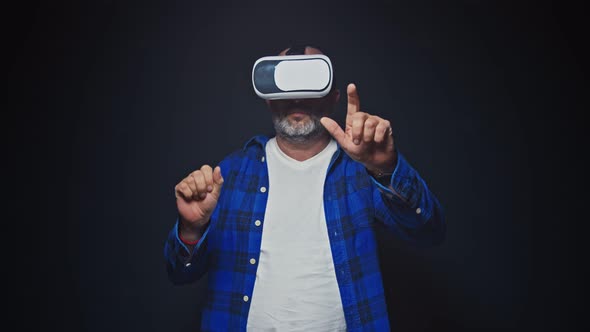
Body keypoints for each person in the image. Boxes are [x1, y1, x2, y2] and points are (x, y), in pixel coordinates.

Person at [164, 45, 445, 331]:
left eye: (308, 82)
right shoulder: (232, 172)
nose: (296, 96)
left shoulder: (358, 171)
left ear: (333, 99)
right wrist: (191, 229)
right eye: (286, 84)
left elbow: (428, 231)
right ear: (269, 99)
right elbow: (180, 273)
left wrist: (385, 169)